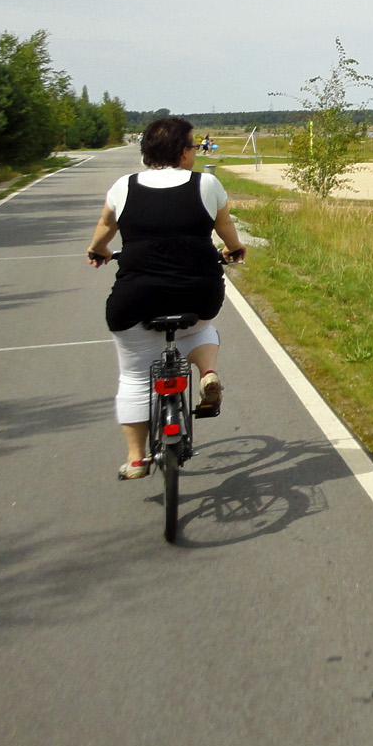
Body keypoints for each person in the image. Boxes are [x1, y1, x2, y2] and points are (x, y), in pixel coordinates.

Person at [86, 116, 245, 480]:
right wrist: (234, 249)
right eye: (193, 146)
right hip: (198, 293)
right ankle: (206, 373)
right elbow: (226, 230)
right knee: (202, 328)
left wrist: (97, 251)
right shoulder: (208, 184)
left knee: (134, 378)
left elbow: (105, 228)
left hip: (135, 298)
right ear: (184, 152)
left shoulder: (123, 187)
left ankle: (137, 458)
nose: (195, 151)